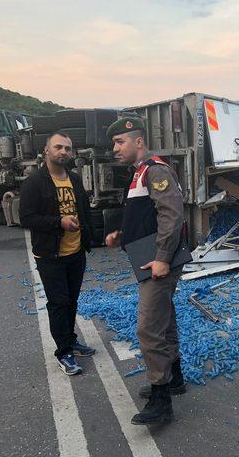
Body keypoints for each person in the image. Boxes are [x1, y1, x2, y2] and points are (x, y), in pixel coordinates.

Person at [105, 117, 187, 425]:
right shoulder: (140, 173)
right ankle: (174, 378)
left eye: (120, 142)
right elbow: (148, 218)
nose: (115, 148)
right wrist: (122, 237)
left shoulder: (155, 171)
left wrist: (164, 257)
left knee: (149, 328)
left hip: (158, 261)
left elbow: (172, 215)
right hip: (148, 257)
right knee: (164, 323)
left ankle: (160, 398)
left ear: (138, 142)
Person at [20, 131, 96, 376]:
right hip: (50, 255)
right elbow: (26, 218)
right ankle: (64, 353)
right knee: (59, 303)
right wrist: (59, 222)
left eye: (67, 148)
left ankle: (71, 340)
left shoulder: (74, 179)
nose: (63, 152)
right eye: (58, 147)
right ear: (47, 150)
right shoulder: (35, 182)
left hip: (75, 252)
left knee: (71, 300)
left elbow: (83, 210)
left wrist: (91, 237)